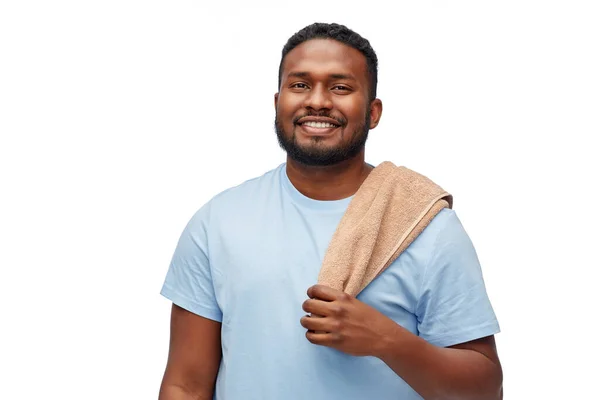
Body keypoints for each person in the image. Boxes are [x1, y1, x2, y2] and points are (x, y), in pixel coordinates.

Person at [158, 22, 503, 400]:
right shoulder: (217, 222)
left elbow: (485, 391)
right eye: (300, 85)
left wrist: (387, 340)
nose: (318, 101)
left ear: (373, 112)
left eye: (340, 87)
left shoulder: (426, 227)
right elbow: (185, 385)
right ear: (278, 103)